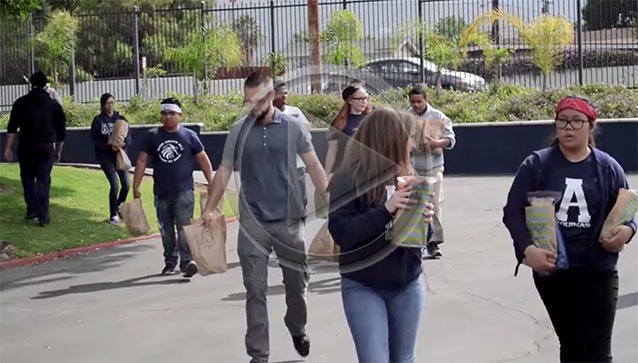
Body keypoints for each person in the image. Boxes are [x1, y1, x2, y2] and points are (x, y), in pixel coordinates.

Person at [201, 72, 329, 363]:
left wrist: (331, 202)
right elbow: (224, 171)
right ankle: (259, 354)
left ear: (272, 97)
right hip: (252, 223)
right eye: (248, 101)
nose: (252, 107)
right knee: (255, 290)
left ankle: (297, 326)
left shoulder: (294, 127)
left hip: (288, 220)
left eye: (258, 101)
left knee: (297, 285)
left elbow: (313, 165)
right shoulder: (238, 130)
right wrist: (210, 207)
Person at [503, 96, 636, 363]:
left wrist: (629, 231)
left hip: (598, 271)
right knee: (573, 344)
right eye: (562, 121)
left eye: (577, 121)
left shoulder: (608, 167)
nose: (569, 127)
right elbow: (512, 212)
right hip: (554, 275)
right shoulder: (537, 165)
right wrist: (528, 250)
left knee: (598, 351)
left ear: (591, 126)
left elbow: (627, 210)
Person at [328, 107, 433, 363]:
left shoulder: (409, 179)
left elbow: (420, 240)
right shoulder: (346, 180)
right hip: (363, 285)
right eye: (408, 137)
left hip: (406, 283)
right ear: (391, 141)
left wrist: (425, 221)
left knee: (403, 358)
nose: (412, 144)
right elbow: (341, 232)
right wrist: (386, 210)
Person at [132, 97, 214, 278]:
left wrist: (211, 181)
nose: (167, 117)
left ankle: (187, 262)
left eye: (171, 113)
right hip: (161, 192)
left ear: (179, 115)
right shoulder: (152, 136)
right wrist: (135, 185)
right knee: (166, 230)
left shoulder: (189, 136)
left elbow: (203, 159)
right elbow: (141, 161)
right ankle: (170, 261)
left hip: (184, 191)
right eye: (164, 113)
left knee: (184, 227)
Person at [4, 71, 66, 227]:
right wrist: (58, 150)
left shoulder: (20, 103)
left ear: (31, 84)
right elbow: (61, 132)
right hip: (45, 147)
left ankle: (32, 209)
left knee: (27, 178)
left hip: (26, 146)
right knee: (44, 180)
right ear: (46, 84)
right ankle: (43, 216)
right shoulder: (53, 105)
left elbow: (12, 128)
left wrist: (8, 148)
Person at [407, 85, 456, 258]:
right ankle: (417, 241)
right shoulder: (406, 116)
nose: (416, 105)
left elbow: (450, 139)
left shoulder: (438, 116)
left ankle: (433, 241)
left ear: (426, 100)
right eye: (413, 102)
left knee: (433, 205)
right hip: (413, 167)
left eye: (419, 102)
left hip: (433, 167)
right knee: (413, 205)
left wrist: (437, 143)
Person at [91, 93, 131, 225]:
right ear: (103, 105)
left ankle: (118, 206)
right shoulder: (98, 120)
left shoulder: (120, 118)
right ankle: (113, 213)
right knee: (114, 184)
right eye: (107, 103)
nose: (110, 106)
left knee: (126, 185)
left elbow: (128, 137)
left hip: (119, 155)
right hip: (105, 156)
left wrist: (123, 144)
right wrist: (108, 146)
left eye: (112, 103)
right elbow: (95, 140)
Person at [273, 79, 312, 208]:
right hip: (276, 170)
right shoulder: (267, 116)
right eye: (280, 93)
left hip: (297, 167)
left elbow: (306, 133)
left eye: (285, 93)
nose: (284, 96)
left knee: (300, 203)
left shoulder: (295, 112)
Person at [324, 84, 372, 176]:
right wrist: (326, 175)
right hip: (346, 170)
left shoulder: (372, 118)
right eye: (360, 99)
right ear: (350, 100)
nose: (364, 102)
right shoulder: (339, 122)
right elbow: (332, 151)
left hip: (368, 170)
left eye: (366, 98)